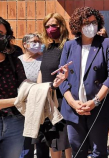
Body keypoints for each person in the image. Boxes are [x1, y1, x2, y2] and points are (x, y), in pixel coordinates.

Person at [0, 15, 68, 158]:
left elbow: (27, 88)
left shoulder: (13, 62)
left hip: (15, 125)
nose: (3, 38)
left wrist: (52, 85)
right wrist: (16, 100)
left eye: (5, 34)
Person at [59, 7, 109, 158]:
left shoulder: (106, 43)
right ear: (77, 25)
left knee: (98, 152)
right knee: (77, 151)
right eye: (86, 23)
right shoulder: (69, 46)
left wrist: (95, 101)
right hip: (74, 109)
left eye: (94, 22)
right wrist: (73, 103)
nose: (91, 26)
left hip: (98, 108)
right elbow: (62, 78)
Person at [38, 13, 72, 158]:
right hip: (47, 98)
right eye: (47, 26)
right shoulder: (47, 48)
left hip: (63, 98)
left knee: (65, 139)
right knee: (52, 138)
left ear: (62, 26)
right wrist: (39, 90)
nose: (50, 29)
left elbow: (71, 72)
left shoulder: (69, 46)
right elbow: (42, 70)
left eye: (54, 25)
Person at [18, 33, 49, 158]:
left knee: (41, 137)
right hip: (24, 104)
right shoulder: (18, 60)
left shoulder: (44, 59)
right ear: (25, 44)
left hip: (40, 102)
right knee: (26, 138)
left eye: (38, 41)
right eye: (34, 41)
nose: (37, 44)